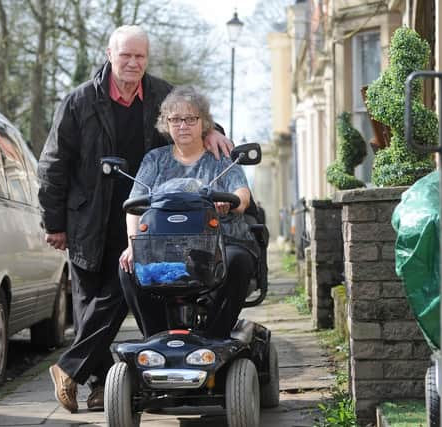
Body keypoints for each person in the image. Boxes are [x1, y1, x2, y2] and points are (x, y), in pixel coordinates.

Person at [37, 26, 232, 414]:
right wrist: (53, 222)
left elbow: (191, 116)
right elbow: (52, 167)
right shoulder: (78, 102)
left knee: (122, 288)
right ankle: (96, 386)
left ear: (147, 58)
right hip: (89, 218)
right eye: (125, 55)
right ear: (109, 53)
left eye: (139, 57)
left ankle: (70, 368)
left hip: (145, 220)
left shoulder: (161, 93)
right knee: (90, 305)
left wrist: (213, 133)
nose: (132, 63)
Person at [119, 85, 259, 339]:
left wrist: (231, 202)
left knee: (238, 260)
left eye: (190, 119)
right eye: (175, 119)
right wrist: (132, 245)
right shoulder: (155, 160)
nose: (183, 125)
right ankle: (158, 339)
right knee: (129, 267)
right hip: (166, 246)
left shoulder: (220, 158)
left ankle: (215, 337)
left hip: (220, 242)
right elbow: (134, 205)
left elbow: (243, 194)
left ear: (203, 122)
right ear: (166, 124)